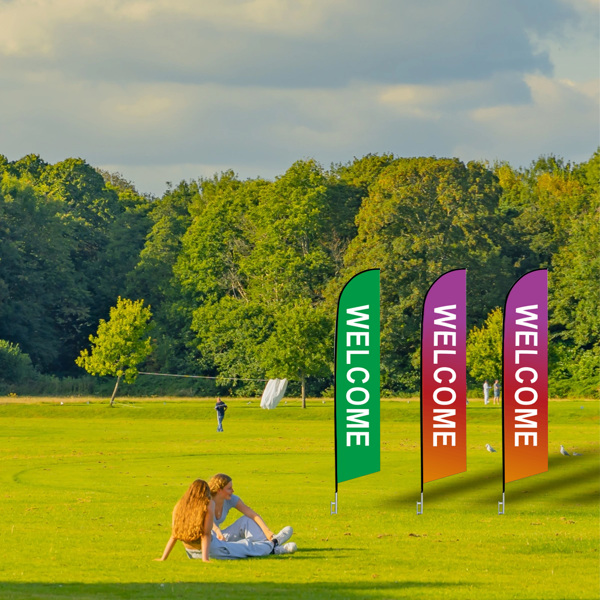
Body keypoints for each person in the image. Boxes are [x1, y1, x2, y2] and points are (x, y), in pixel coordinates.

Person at [154, 479, 296, 562]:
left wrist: (163, 558)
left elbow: (174, 535)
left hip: (191, 552)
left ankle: (272, 545)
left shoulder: (180, 506)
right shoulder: (207, 504)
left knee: (241, 546)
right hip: (211, 549)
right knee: (246, 547)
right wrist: (205, 559)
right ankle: (274, 546)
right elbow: (206, 535)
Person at [209, 473, 293, 547]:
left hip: (221, 537)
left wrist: (267, 532)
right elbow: (206, 520)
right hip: (208, 538)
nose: (233, 491)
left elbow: (253, 514)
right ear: (219, 490)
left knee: (246, 520)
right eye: (229, 488)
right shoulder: (206, 501)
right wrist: (217, 531)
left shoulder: (231, 499)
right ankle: (273, 547)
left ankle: (271, 542)